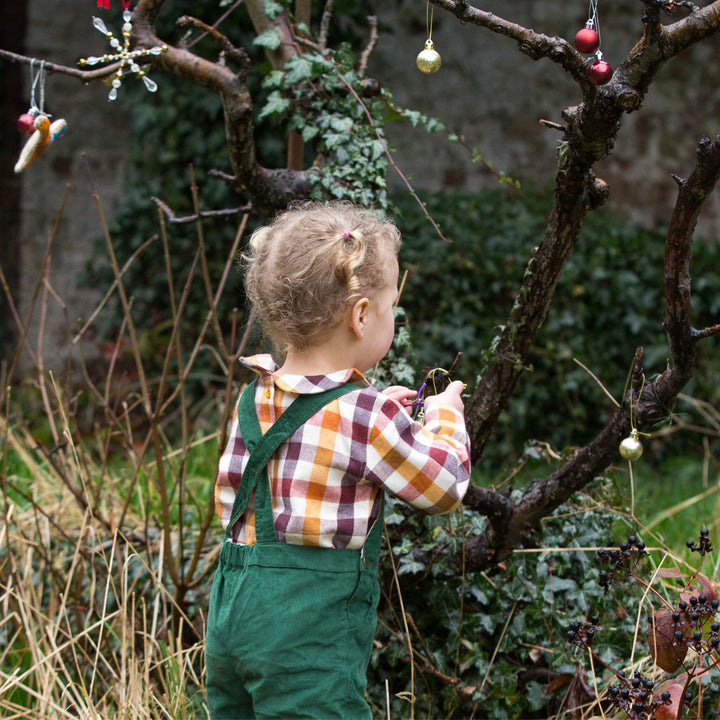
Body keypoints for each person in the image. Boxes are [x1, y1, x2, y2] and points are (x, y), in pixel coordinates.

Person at [205, 201, 470, 719]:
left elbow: (242, 492)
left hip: (232, 617)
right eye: (393, 305)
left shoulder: (255, 397)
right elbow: (444, 487)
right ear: (362, 314)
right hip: (305, 635)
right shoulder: (364, 418)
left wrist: (382, 418)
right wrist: (444, 419)